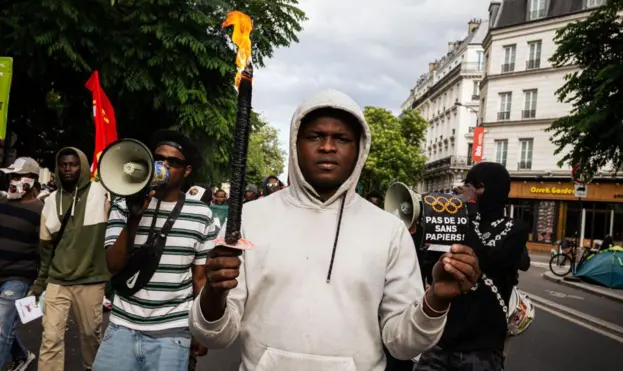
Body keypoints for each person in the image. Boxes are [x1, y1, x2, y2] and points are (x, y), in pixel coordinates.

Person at [189, 89, 481, 370]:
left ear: (359, 150)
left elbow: (402, 344)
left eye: (341, 138)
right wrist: (214, 292)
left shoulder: (388, 230)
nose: (327, 146)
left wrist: (435, 301)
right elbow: (215, 335)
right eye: (315, 136)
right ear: (295, 143)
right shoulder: (248, 220)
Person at [93, 130, 215, 371]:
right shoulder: (123, 204)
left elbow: (199, 279)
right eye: (159, 159)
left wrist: (202, 331)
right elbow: (113, 265)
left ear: (187, 171)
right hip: (121, 326)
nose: (164, 165)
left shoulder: (202, 215)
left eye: (173, 162)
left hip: (172, 332)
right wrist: (134, 219)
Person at [415, 162, 528, 371]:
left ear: (481, 188)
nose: (460, 191)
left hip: (482, 349)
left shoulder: (515, 228)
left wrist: (469, 213)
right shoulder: (457, 223)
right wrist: (426, 228)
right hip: (440, 342)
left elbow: (483, 259)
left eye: (467, 185)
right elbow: (427, 270)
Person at [33, 148, 111, 371]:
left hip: (91, 280)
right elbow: (46, 248)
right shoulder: (50, 201)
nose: (68, 169)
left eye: (73, 164)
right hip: (57, 280)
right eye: (63, 164)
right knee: (50, 338)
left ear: (83, 166)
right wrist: (40, 283)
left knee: (90, 336)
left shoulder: (102, 194)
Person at [0, 157, 43, 370]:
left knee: (1, 328)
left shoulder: (41, 210)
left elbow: (43, 250)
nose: (13, 180)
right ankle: (22, 355)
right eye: (11, 176)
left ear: (32, 179)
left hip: (18, 277)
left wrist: (38, 286)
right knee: (3, 326)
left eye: (17, 176)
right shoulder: (3, 203)